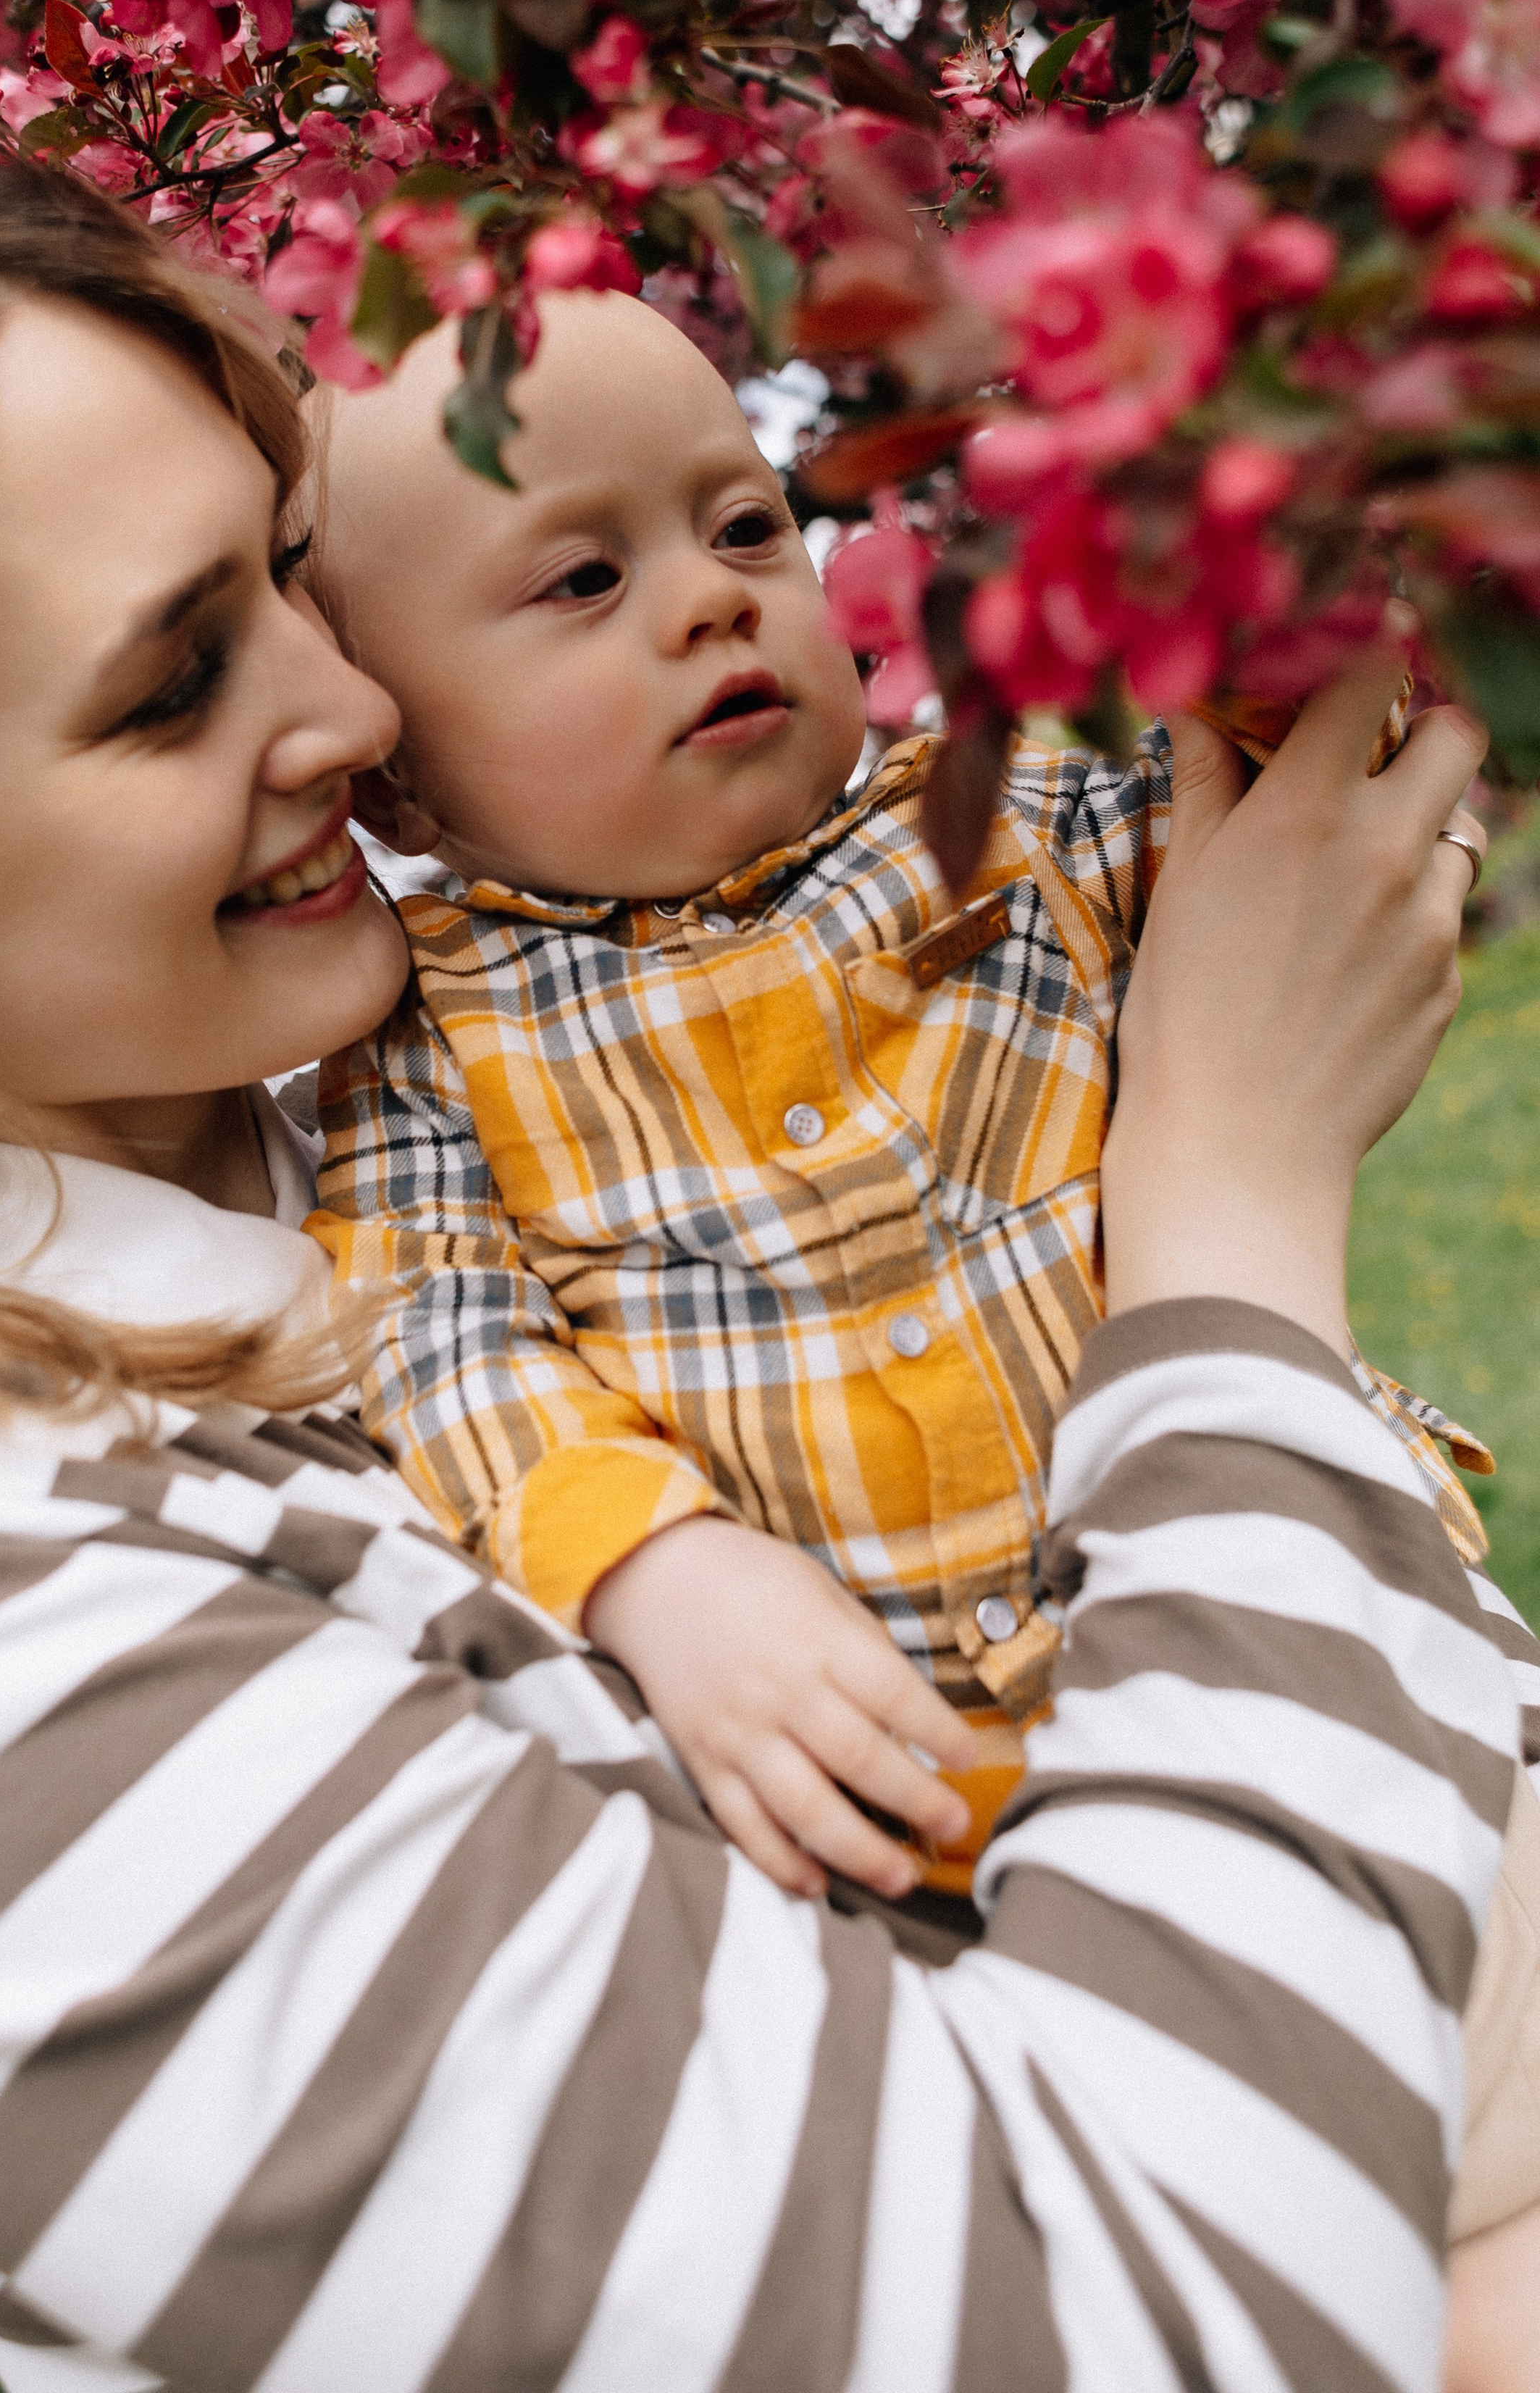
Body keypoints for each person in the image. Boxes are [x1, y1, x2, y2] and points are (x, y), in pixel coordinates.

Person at [0, 125, 1531, 2393]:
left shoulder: (340, 1126)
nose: (360, 722)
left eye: (298, 586)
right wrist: (1230, 1217)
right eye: (173, 685)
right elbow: (1133, 2339)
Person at [306, 292, 1486, 1904]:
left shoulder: (1004, 819)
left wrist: (1221, 594)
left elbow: (1284, 814)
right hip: (917, 1803)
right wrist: (655, 1564)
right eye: (584, 578)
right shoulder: (429, 1026)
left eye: (742, 527)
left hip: (1325, 1624)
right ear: (395, 781)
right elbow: (427, 1331)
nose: (709, 603)